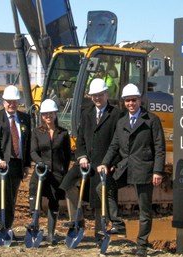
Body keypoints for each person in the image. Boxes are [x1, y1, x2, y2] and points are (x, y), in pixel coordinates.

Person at [97, 83, 165, 257]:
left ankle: (142, 244)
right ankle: (118, 223)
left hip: (143, 168)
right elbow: (114, 146)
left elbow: (159, 147)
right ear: (124, 102)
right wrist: (105, 163)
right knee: (103, 187)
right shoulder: (122, 122)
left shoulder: (152, 120)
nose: (130, 103)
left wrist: (158, 171)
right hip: (125, 167)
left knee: (144, 208)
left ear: (139, 100)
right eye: (127, 101)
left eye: (133, 100)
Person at [59, 78, 122, 244]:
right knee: (68, 184)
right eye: (94, 96)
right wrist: (82, 156)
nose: (97, 98)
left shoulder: (116, 115)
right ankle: (77, 221)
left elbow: (119, 143)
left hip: (104, 165)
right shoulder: (86, 113)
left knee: (99, 198)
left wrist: (110, 163)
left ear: (107, 94)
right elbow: (80, 139)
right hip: (86, 162)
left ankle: (100, 234)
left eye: (100, 95)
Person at [0, 85, 31, 233]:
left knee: (12, 196)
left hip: (17, 163)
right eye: (9, 101)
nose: (11, 104)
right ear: (3, 101)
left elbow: (28, 143)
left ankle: (7, 225)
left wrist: (26, 165)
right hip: (1, 162)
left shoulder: (25, 119)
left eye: (14, 101)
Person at [27, 99, 71, 245]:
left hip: (57, 172)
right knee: (34, 191)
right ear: (42, 116)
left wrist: (63, 171)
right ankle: (34, 224)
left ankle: (51, 234)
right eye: (45, 114)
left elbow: (67, 155)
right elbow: (33, 151)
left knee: (54, 200)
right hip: (41, 171)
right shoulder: (37, 132)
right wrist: (39, 162)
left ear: (55, 114)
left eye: (51, 113)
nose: (48, 116)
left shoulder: (63, 133)